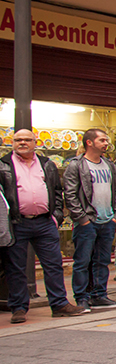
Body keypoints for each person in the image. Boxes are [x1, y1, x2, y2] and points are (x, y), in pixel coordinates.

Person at [0, 129, 86, 321]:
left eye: (27, 140)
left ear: (35, 142)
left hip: (45, 222)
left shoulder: (46, 164)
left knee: (54, 265)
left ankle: (59, 304)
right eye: (18, 140)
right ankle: (19, 308)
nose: (22, 143)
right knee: (16, 267)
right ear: (12, 142)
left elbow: (57, 190)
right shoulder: (3, 165)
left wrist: (56, 217)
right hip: (17, 223)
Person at [63, 128, 116, 312]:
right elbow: (70, 194)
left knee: (102, 260)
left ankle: (99, 295)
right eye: (102, 140)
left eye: (106, 140)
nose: (106, 143)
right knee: (82, 261)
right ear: (89, 142)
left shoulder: (109, 165)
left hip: (107, 221)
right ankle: (82, 297)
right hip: (88, 222)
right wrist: (82, 219)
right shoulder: (77, 165)